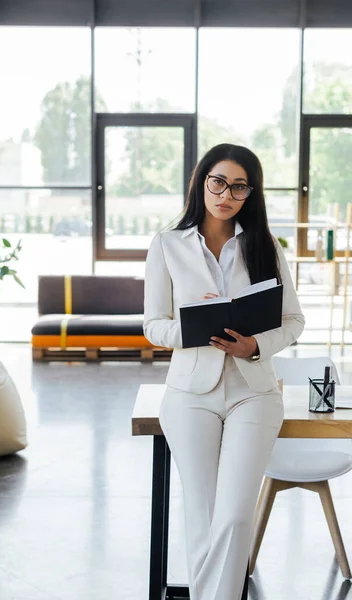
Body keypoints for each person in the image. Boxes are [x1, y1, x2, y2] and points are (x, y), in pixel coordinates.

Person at [143, 143, 305, 600]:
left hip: (253, 390)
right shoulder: (167, 244)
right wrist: (194, 325)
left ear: (250, 194)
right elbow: (154, 325)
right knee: (202, 513)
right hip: (190, 391)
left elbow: (293, 320)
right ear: (202, 182)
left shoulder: (264, 245)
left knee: (233, 516)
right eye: (218, 182)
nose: (226, 194)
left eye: (238, 186)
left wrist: (256, 345)